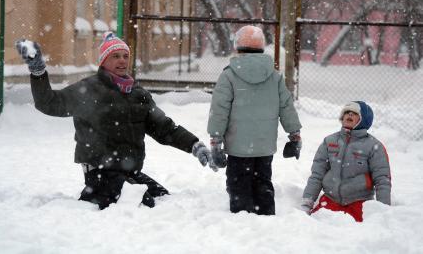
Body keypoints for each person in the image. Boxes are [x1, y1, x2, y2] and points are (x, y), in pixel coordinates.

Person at [16, 32, 217, 210]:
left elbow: (165, 128)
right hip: (100, 173)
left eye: (125, 56)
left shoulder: (138, 94)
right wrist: (38, 72)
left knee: (163, 199)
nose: (122, 61)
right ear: (103, 61)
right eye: (115, 56)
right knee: (145, 205)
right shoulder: (88, 90)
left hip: (130, 171)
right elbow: (49, 103)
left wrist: (194, 145)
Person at [207, 25, 302, 215]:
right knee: (263, 182)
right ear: (262, 48)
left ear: (237, 47)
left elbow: (219, 110)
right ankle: (266, 215)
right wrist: (295, 135)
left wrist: (216, 139)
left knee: (238, 184)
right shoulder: (274, 77)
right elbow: (286, 106)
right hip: (263, 147)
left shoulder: (229, 75)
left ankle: (243, 220)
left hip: (238, 147)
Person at [301, 101, 391, 222]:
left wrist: (383, 211)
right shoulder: (330, 141)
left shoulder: (373, 146)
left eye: (354, 113)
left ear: (363, 120)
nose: (349, 115)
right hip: (330, 200)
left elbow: (382, 180)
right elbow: (317, 174)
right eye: (346, 112)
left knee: (358, 232)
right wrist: (307, 202)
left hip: (359, 203)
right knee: (316, 226)